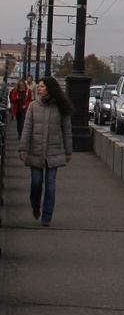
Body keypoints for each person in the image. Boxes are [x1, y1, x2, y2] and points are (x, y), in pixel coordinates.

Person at [18, 77, 73, 226]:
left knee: (50, 184)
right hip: (35, 151)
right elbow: (27, 128)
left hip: (54, 151)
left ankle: (47, 217)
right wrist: (23, 148)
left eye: (42, 86)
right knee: (36, 183)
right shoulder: (33, 106)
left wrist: (68, 151)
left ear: (50, 88)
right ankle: (36, 206)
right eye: (39, 86)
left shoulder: (61, 106)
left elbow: (66, 130)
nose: (39, 89)